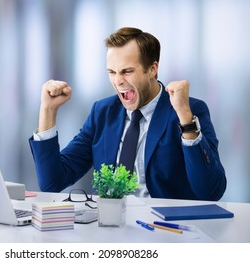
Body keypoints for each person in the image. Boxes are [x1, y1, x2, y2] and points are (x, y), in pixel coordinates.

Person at [29, 27, 226, 201]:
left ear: (152, 69)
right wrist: (48, 110)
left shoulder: (188, 111)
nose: (118, 81)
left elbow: (211, 191)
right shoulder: (103, 112)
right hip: (110, 228)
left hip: (165, 231)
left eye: (127, 71)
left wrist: (185, 119)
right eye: (112, 72)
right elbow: (52, 183)